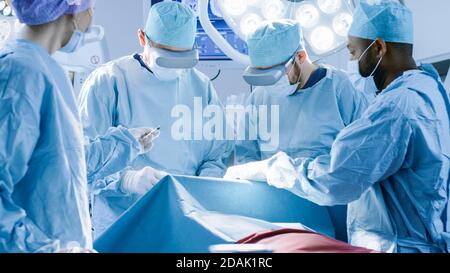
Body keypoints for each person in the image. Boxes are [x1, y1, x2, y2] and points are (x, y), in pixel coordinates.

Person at [225, 1, 450, 253]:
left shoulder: (396, 107)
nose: (352, 60)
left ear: (378, 47)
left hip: (399, 244)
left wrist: (272, 168)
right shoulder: (429, 89)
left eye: (354, 52)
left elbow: (338, 176)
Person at [78, 1, 232, 237]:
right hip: (122, 223)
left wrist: (195, 192)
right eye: (165, 57)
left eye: (183, 59)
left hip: (183, 220)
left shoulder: (201, 86)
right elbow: (82, 161)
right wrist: (126, 180)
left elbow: (217, 154)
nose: (175, 67)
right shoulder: (108, 82)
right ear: (142, 38)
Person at [234, 19, 368, 164]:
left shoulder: (342, 88)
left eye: (276, 74)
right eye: (263, 75)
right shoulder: (259, 98)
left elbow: (365, 151)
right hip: (268, 186)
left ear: (300, 57)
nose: (270, 84)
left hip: (328, 186)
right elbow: (246, 156)